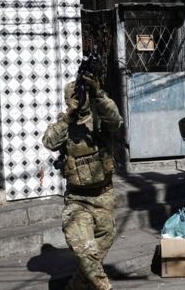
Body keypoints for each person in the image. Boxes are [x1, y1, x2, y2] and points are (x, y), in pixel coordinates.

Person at [42, 68, 122, 290]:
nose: (80, 99)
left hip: (104, 195)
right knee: (86, 250)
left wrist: (99, 94)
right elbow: (49, 142)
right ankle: (102, 286)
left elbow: (116, 121)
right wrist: (69, 114)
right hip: (77, 199)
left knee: (102, 243)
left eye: (82, 95)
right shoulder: (65, 123)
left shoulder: (101, 116)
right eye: (74, 97)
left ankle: (76, 285)